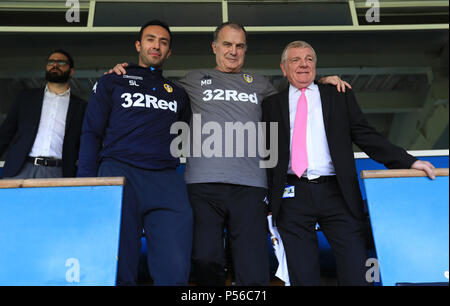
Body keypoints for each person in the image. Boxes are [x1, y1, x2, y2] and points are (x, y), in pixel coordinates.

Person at [110, 21, 350, 286]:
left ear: (245, 50)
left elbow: (293, 101)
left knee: (253, 268)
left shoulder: (261, 84)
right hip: (202, 186)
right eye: (227, 44)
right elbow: (153, 90)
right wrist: (125, 72)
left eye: (239, 46)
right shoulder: (191, 81)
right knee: (204, 259)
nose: (233, 51)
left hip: (250, 188)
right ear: (214, 47)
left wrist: (320, 83)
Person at [261, 40, 436, 286]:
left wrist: (409, 161)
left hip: (337, 192)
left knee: (356, 270)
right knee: (302, 276)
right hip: (292, 195)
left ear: (315, 66)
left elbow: (365, 135)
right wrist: (266, 199)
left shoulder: (338, 94)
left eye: (309, 59)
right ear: (283, 68)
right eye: (296, 60)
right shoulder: (270, 105)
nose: (303, 65)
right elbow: (264, 155)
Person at [77, 20, 193, 286]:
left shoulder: (178, 93)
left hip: (165, 179)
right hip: (119, 173)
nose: (157, 45)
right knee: (118, 264)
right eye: (151, 39)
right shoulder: (112, 81)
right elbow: (91, 133)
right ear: (139, 45)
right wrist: (87, 183)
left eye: (164, 42)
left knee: (175, 266)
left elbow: (183, 139)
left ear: (169, 52)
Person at [0, 49, 87, 179]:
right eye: (51, 62)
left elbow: (85, 143)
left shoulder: (81, 107)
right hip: (20, 169)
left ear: (72, 71)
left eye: (61, 62)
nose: (55, 65)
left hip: (58, 172)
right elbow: (5, 133)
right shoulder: (26, 98)